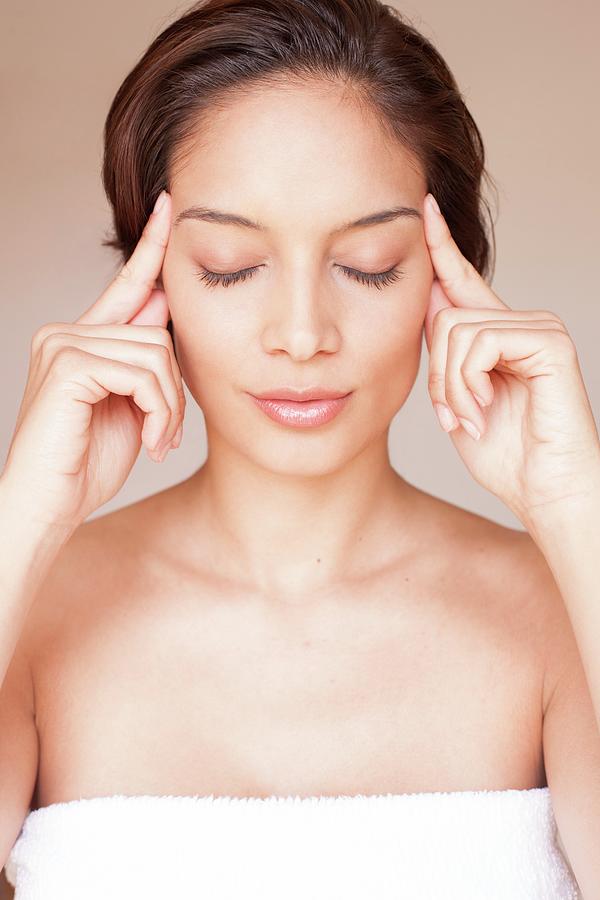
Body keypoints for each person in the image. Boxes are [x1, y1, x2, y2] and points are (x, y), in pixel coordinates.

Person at [1, 0, 597, 896]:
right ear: (147, 279)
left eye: (369, 265)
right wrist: (23, 518)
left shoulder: (563, 615)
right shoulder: (29, 615)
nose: (303, 333)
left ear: (449, 273)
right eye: (230, 266)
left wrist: (576, 508)